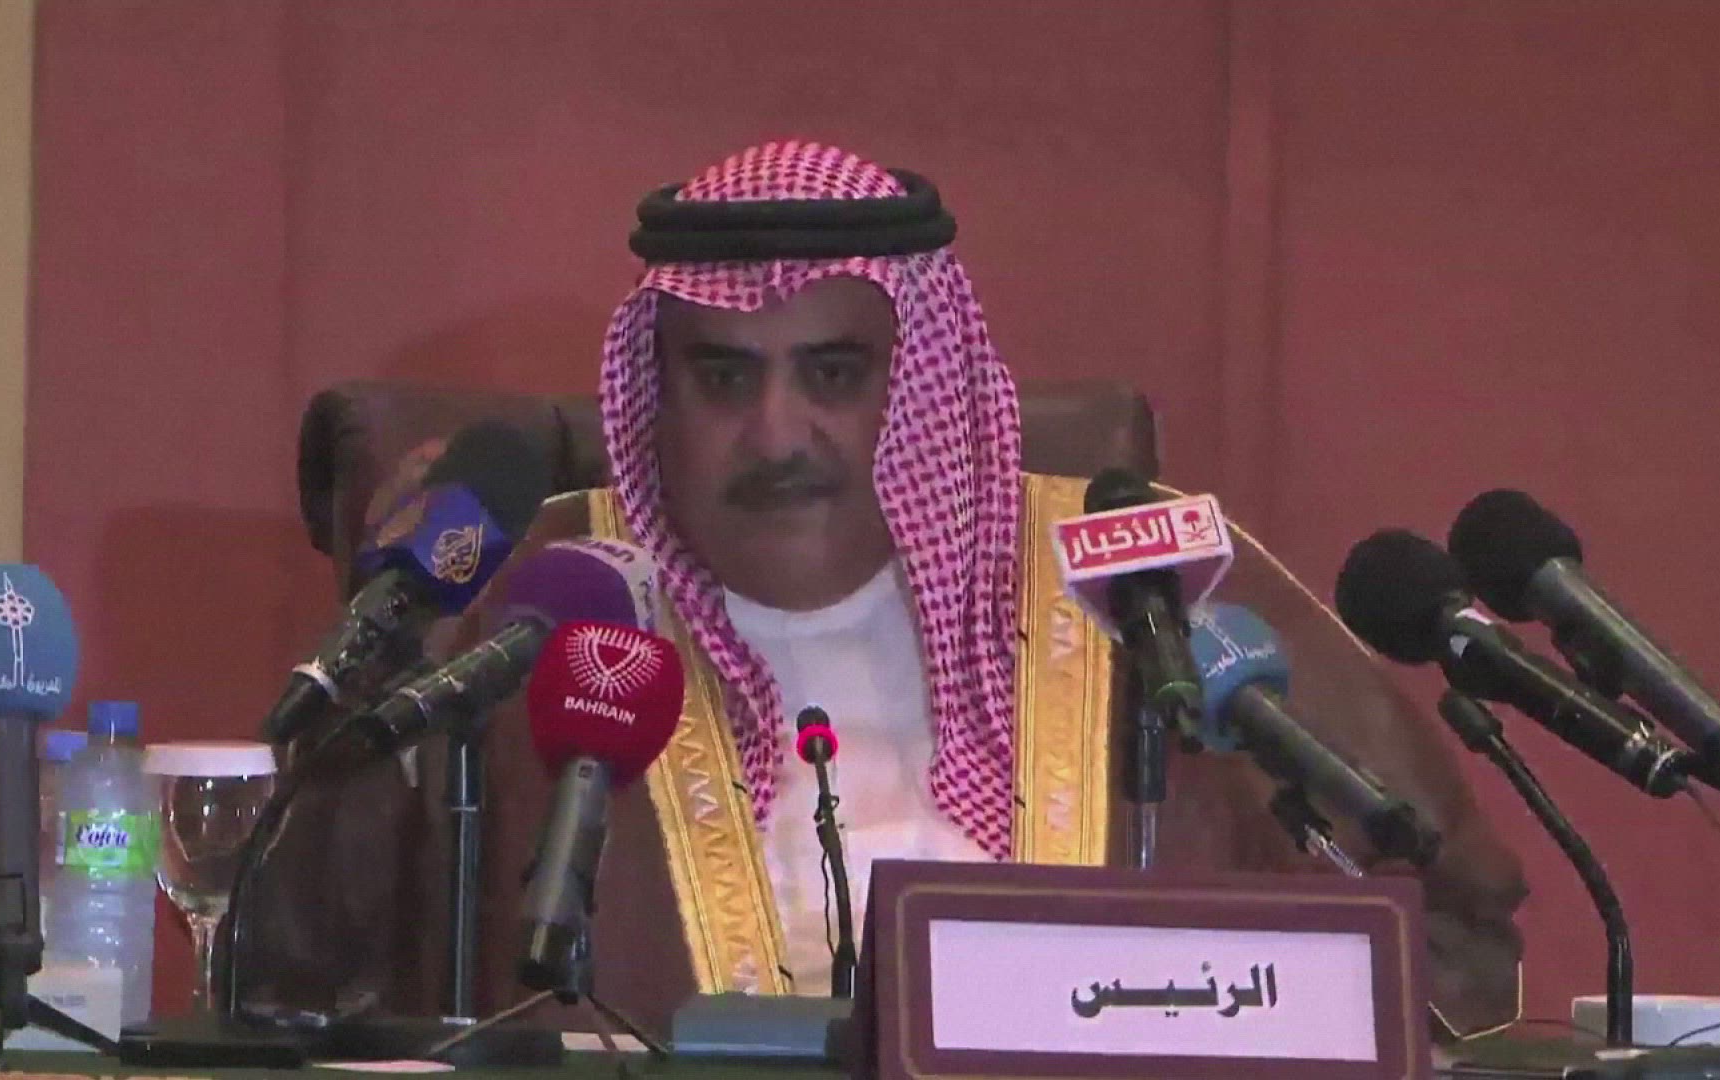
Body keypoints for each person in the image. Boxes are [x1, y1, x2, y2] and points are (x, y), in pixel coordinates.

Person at [249, 140, 1526, 1041]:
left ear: (918, 385)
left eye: (834, 374)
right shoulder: (535, 602)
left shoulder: (1144, 586)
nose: (777, 434)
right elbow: (297, 972)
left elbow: (1448, 927)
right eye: (724, 378)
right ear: (656, 390)